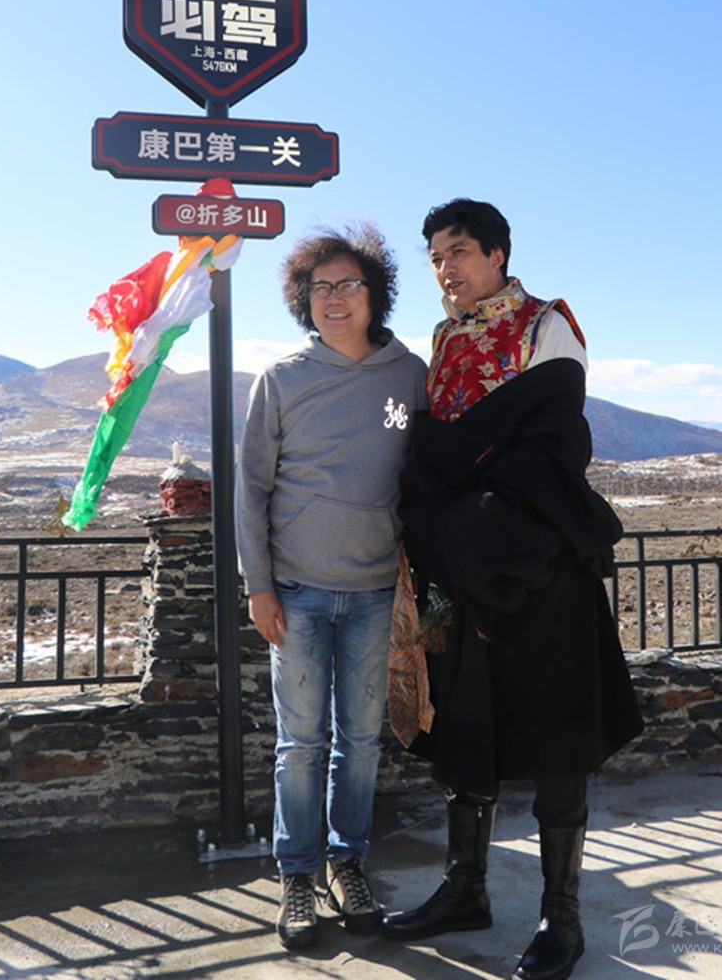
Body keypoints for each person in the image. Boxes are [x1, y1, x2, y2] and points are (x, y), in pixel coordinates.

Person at [381, 199, 644, 980]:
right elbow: (440, 447)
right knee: (462, 725)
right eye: (435, 257)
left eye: (459, 251)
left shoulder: (545, 326)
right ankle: (465, 888)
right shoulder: (444, 340)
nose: (445, 268)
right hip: (455, 568)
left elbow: (554, 443)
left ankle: (562, 917)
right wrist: (445, 513)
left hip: (536, 561)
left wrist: (467, 505)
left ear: (498, 253)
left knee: (557, 728)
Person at [235, 224, 428, 952]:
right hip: (298, 592)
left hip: (376, 590)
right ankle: (296, 874)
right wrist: (259, 586)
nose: (335, 298)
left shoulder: (408, 375)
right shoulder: (281, 379)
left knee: (362, 742)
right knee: (300, 744)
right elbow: (251, 489)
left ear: (376, 295)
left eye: (349, 284)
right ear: (303, 300)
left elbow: (423, 472)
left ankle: (348, 864)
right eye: (321, 287)